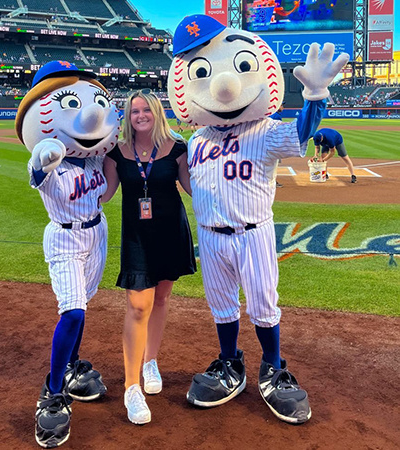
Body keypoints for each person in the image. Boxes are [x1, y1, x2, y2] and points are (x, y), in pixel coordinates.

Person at [168, 14, 349, 424]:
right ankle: (230, 362)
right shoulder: (197, 139)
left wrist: (315, 98)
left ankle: (274, 366)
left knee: (264, 306)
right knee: (221, 306)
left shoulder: (266, 130)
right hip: (212, 237)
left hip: (253, 233)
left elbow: (302, 134)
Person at [15, 60, 120, 448]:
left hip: (97, 232)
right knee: (73, 310)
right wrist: (43, 154)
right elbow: (38, 166)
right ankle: (53, 390)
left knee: (84, 307)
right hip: (64, 238)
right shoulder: (51, 159)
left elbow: (110, 176)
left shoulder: (94, 157)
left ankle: (74, 368)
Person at [101, 89, 197, 425]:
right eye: (134, 111)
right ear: (127, 116)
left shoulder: (178, 148)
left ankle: (150, 361)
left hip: (171, 230)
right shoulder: (115, 152)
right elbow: (106, 194)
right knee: (137, 305)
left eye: (146, 110)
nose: (140, 115)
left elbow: (191, 188)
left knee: (161, 299)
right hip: (137, 237)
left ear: (157, 112)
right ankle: (132, 387)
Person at [270, 102, 285, 188]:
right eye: (282, 105)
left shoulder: (270, 115)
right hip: (274, 143)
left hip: (267, 141)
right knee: (274, 164)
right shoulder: (277, 116)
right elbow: (279, 131)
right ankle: (273, 181)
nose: (283, 107)